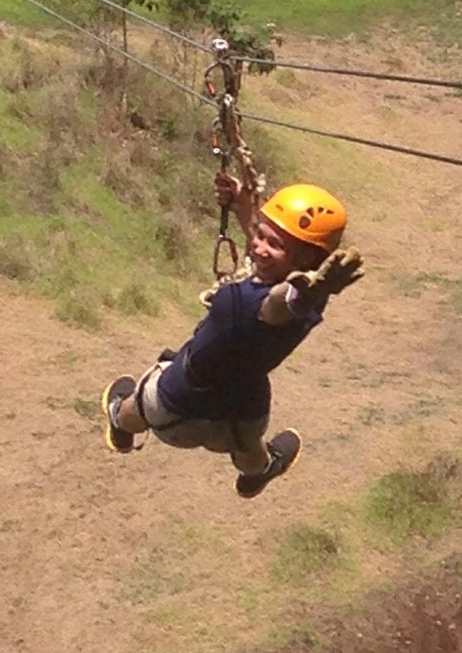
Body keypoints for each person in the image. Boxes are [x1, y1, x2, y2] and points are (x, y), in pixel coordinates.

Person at [100, 173, 364, 498]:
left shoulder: (284, 300)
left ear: (307, 258)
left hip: (180, 402)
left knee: (140, 405)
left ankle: (118, 421)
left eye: (274, 244)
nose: (259, 248)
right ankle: (258, 472)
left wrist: (297, 295)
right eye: (260, 236)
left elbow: (275, 305)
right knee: (252, 451)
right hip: (242, 414)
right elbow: (277, 263)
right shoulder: (313, 294)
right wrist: (242, 204)